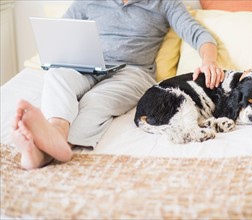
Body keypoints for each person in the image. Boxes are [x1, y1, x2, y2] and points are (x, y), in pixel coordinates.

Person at [11, 0, 224, 170]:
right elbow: (60, 33)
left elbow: (197, 34)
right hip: (85, 66)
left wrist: (209, 61)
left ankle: (46, 151)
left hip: (131, 73)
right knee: (56, 75)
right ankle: (55, 132)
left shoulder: (164, 3)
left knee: (94, 100)